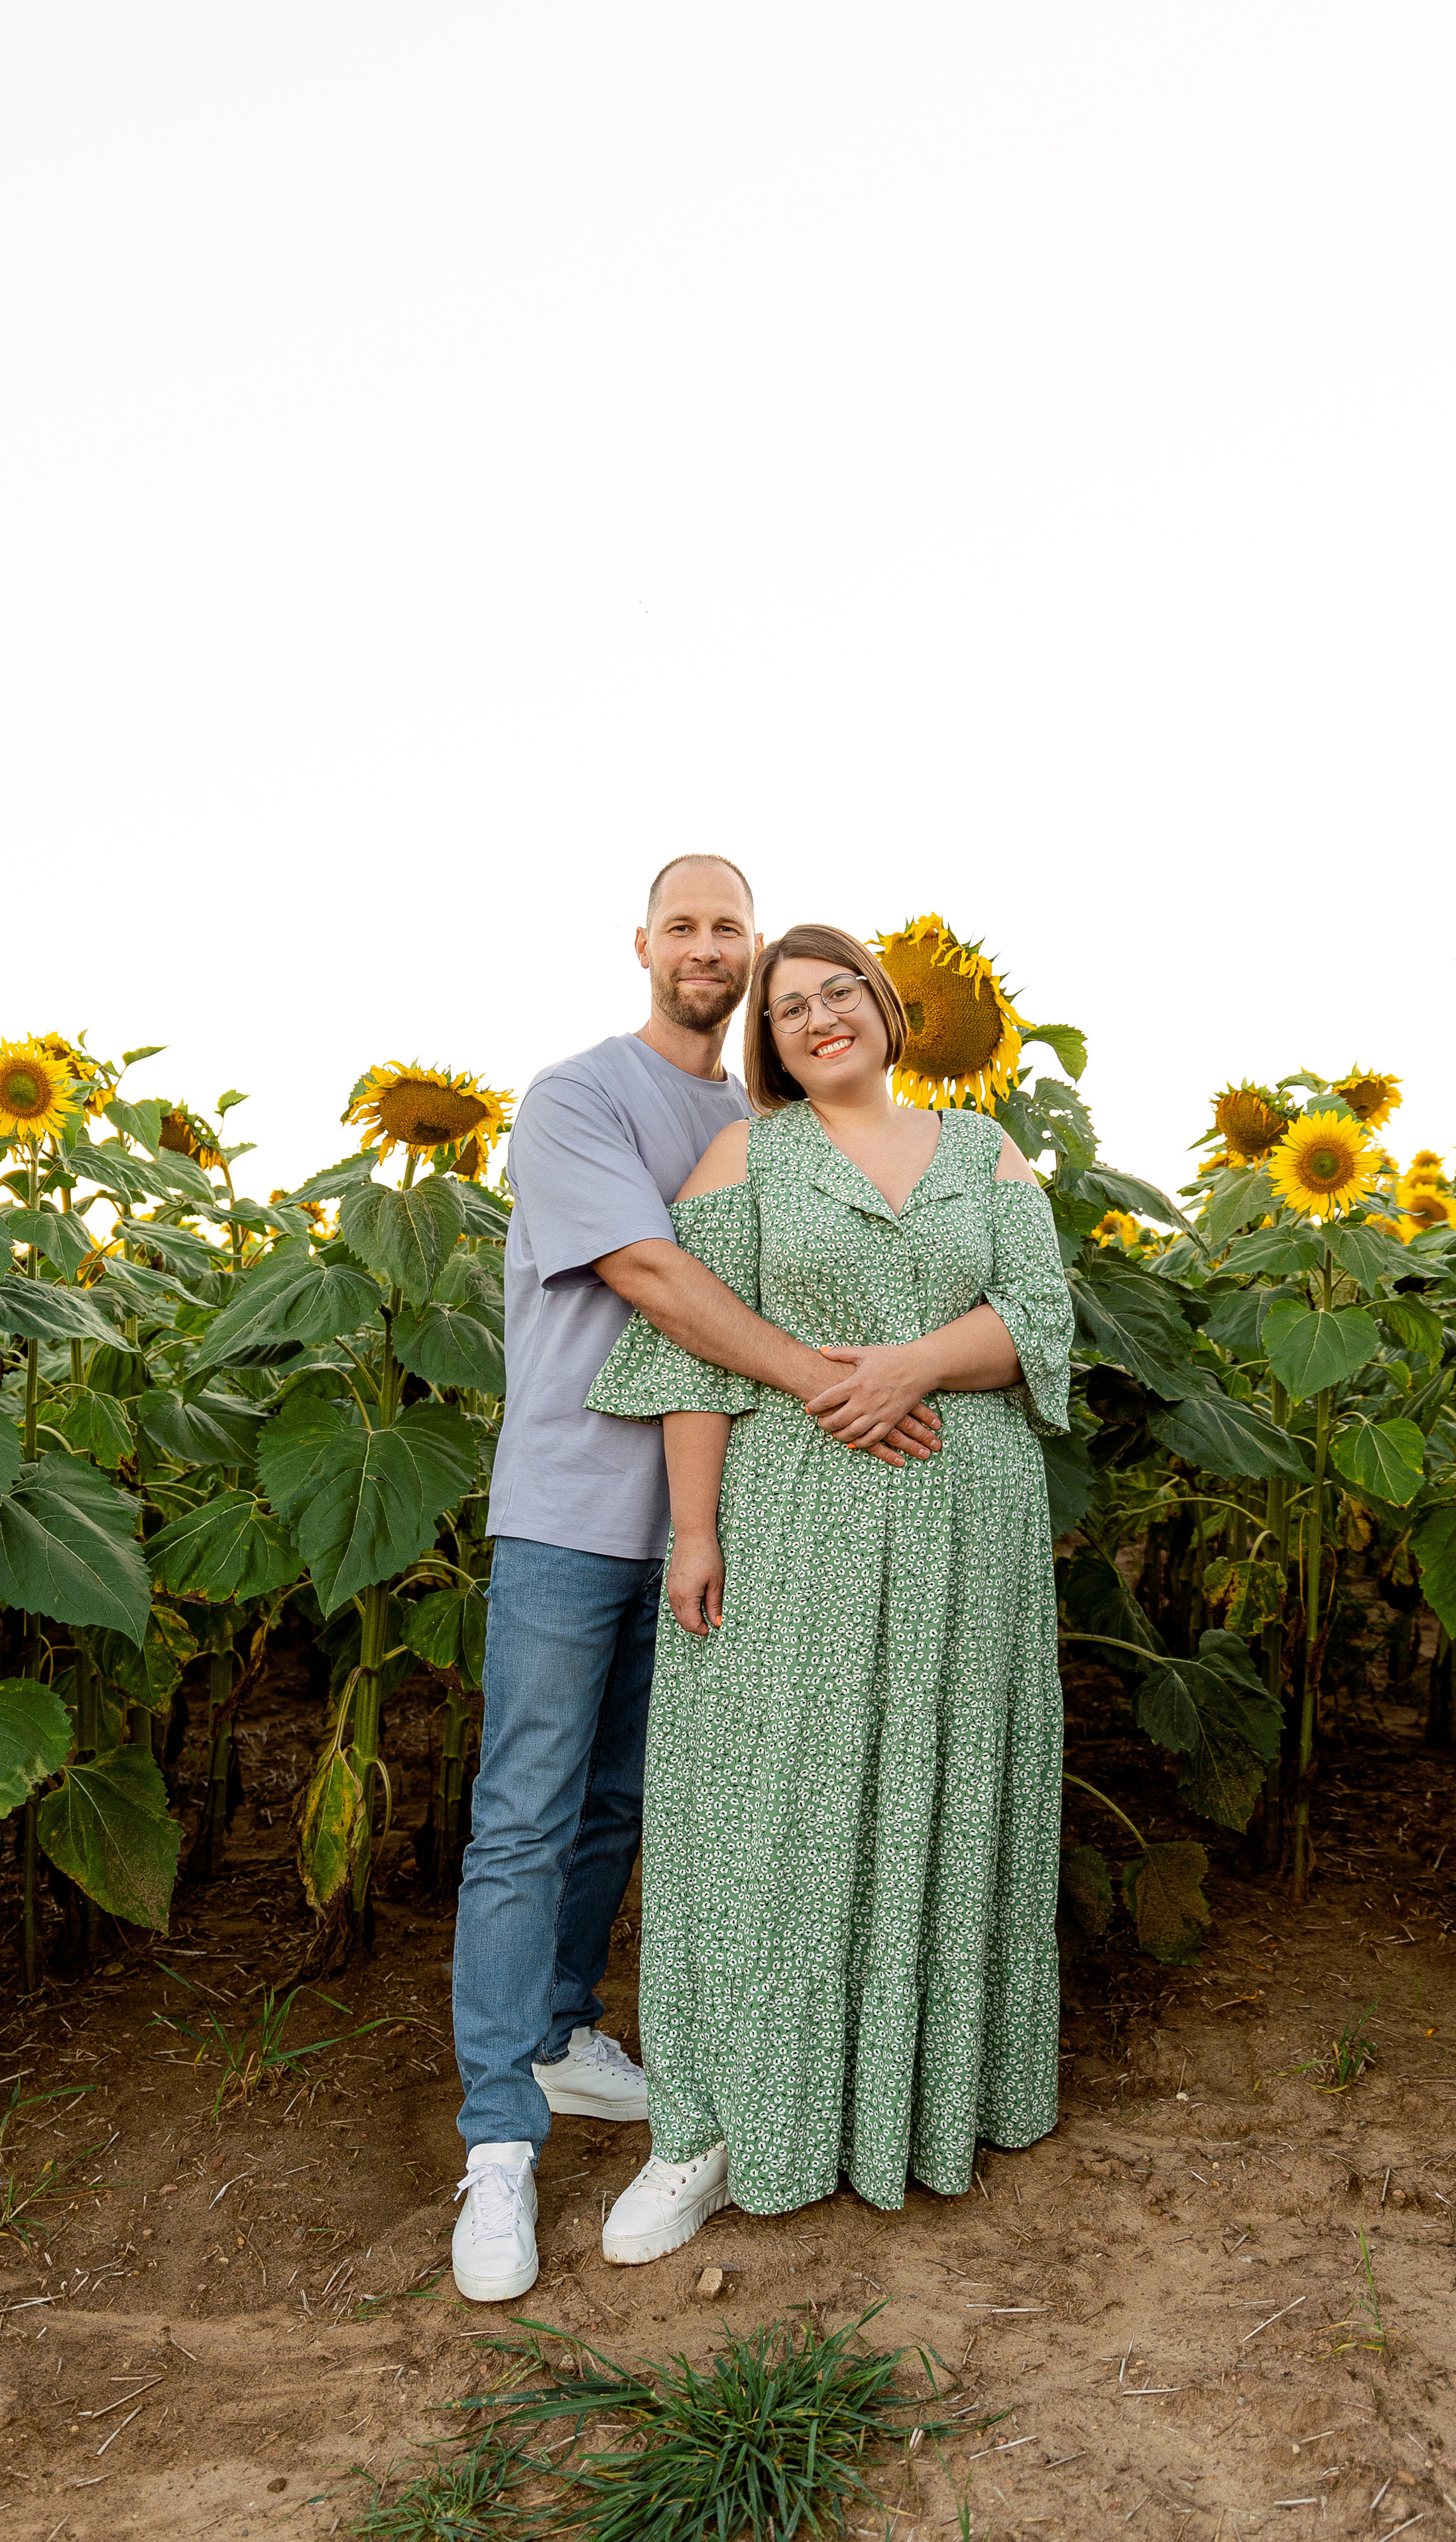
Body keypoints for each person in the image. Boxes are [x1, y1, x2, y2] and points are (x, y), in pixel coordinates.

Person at [450, 863, 941, 2303]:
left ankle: (560, 2033)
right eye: (685, 926)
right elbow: (653, 1277)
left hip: (718, 1522)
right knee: (526, 1812)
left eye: (732, 928)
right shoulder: (578, 1098)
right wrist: (830, 1383)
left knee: (630, 1798)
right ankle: (498, 2139)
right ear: (645, 947)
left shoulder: (757, 1122)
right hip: (570, 1506)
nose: (708, 949)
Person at [588, 922, 1075, 2263]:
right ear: (772, 1044)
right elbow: (692, 1352)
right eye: (788, 1006)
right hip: (792, 1525)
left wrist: (911, 1364)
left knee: (938, 1789)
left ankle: (915, 2105)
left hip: (965, 1533)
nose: (817, 1017)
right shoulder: (745, 1159)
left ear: (883, 1006)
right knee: (763, 1805)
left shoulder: (984, 1150)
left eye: (837, 990)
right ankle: (716, 2124)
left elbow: (1036, 1316)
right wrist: (694, 1532)